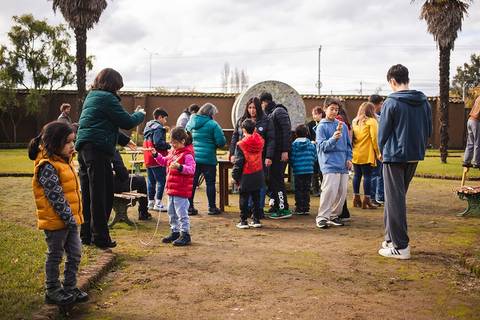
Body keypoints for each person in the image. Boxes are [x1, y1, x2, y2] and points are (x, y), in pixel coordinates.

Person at [76, 68, 145, 249]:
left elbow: (105, 125)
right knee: (102, 195)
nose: (119, 91)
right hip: (98, 151)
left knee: (89, 194)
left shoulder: (92, 96)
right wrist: (140, 114)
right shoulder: (107, 98)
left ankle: (86, 234)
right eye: (118, 87)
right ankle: (101, 237)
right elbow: (127, 121)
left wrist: (125, 140)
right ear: (112, 84)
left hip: (84, 150)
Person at [28, 121, 88, 306]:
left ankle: (70, 287)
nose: (72, 146)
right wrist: (70, 219)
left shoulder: (64, 161)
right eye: (68, 142)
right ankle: (52, 290)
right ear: (54, 143)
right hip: (56, 223)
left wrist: (74, 219)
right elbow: (57, 198)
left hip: (70, 220)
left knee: (75, 254)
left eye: (73, 141)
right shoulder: (47, 166)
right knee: (55, 255)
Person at [377, 64, 432, 259]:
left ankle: (401, 246)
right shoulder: (424, 101)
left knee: (394, 200)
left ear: (392, 81)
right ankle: (391, 239)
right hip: (414, 154)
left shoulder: (391, 102)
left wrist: (381, 150)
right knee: (395, 199)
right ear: (407, 78)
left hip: (393, 155)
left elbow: (382, 132)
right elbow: (430, 128)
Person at [229, 97, 275, 216]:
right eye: (250, 107)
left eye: (254, 107)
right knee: (246, 183)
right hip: (244, 158)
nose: (252, 110)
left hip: (260, 158)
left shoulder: (266, 120)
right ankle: (247, 209)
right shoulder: (241, 120)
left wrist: (269, 156)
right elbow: (235, 137)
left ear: (258, 108)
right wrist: (232, 153)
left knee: (259, 183)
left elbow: (271, 139)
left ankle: (258, 209)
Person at [151, 127, 196, 246]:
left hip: (181, 189)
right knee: (171, 212)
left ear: (183, 141)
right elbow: (164, 161)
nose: (173, 145)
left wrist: (180, 167)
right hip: (171, 189)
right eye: (172, 143)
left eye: (175, 143)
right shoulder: (173, 152)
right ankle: (175, 231)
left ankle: (185, 234)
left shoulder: (187, 155)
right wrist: (156, 155)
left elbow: (191, 170)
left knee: (181, 213)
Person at [315, 98, 352, 229]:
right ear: (325, 109)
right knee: (329, 191)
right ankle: (322, 217)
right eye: (332, 109)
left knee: (341, 192)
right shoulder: (321, 127)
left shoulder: (343, 126)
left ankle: (334, 215)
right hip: (329, 164)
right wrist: (333, 139)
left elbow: (349, 145)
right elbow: (321, 147)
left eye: (336, 109)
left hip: (343, 164)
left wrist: (349, 158)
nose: (334, 112)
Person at [186, 103, 226, 215]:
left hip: (193, 157)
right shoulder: (213, 125)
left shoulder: (191, 122)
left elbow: (186, 136)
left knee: (192, 183)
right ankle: (212, 208)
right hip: (208, 158)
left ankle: (189, 207)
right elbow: (221, 142)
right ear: (210, 114)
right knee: (210, 183)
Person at [260, 92, 292, 219]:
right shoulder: (269, 113)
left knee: (278, 180)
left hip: (280, 153)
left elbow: (287, 131)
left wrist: (285, 150)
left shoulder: (279, 111)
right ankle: (276, 205)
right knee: (272, 179)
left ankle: (283, 208)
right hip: (273, 153)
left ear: (264, 102)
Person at [232, 119, 265, 229]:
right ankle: (256, 219)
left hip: (246, 173)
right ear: (255, 129)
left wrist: (234, 175)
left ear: (243, 130)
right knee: (256, 197)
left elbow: (239, 162)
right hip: (258, 172)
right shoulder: (260, 141)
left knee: (244, 198)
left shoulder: (241, 144)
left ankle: (243, 220)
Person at [351, 102, 381, 210]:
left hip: (355, 153)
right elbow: (375, 139)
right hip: (367, 153)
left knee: (356, 176)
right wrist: (378, 153)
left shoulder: (355, 121)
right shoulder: (372, 121)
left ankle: (356, 198)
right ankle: (367, 200)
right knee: (367, 176)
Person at [143, 108, 170, 212]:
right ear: (160, 117)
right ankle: (158, 203)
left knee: (151, 181)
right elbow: (158, 143)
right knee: (161, 181)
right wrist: (168, 145)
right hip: (156, 158)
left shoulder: (148, 126)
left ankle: (150, 202)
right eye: (165, 119)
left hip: (148, 157)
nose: (165, 121)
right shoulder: (158, 128)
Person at [112, 150, 151, 220]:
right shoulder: (111, 149)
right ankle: (143, 212)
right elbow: (122, 174)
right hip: (113, 185)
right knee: (141, 180)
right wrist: (126, 173)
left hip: (97, 185)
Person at [290, 124, 317, 215]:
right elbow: (314, 157)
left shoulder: (294, 145)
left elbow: (292, 158)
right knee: (306, 189)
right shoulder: (311, 144)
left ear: (296, 134)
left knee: (298, 189)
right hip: (309, 170)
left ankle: (299, 207)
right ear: (307, 133)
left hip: (298, 171)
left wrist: (293, 165)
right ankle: (306, 207)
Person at [368, 94, 385, 206]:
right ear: (377, 104)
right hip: (375, 150)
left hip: (366, 151)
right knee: (376, 174)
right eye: (381, 103)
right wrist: (379, 152)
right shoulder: (376, 119)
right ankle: (374, 197)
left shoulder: (360, 118)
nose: (382, 105)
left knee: (372, 175)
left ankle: (374, 197)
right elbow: (376, 136)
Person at [307, 106, 325, 196]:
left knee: (322, 171)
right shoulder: (310, 124)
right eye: (313, 114)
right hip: (313, 149)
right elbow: (308, 136)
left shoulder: (325, 124)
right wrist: (312, 141)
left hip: (322, 150)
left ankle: (323, 190)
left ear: (321, 114)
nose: (314, 116)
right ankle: (315, 190)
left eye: (316, 114)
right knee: (314, 171)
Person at [463, 95, 480, 168]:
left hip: (470, 120)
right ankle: (476, 162)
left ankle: (466, 161)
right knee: (477, 143)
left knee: (470, 143)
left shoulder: (478, 97)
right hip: (476, 121)